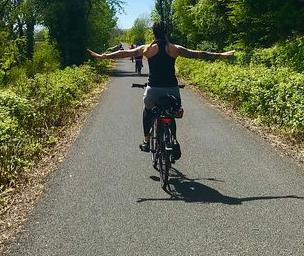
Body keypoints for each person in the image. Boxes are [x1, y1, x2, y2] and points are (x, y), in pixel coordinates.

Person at [88, 20, 235, 160]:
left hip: (153, 90)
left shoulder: (147, 49)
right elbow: (198, 54)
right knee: (170, 114)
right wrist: (220, 55)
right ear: (166, 32)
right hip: (172, 90)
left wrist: (104, 56)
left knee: (147, 110)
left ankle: (146, 141)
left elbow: (125, 53)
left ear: (153, 33)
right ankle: (174, 139)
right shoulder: (174, 49)